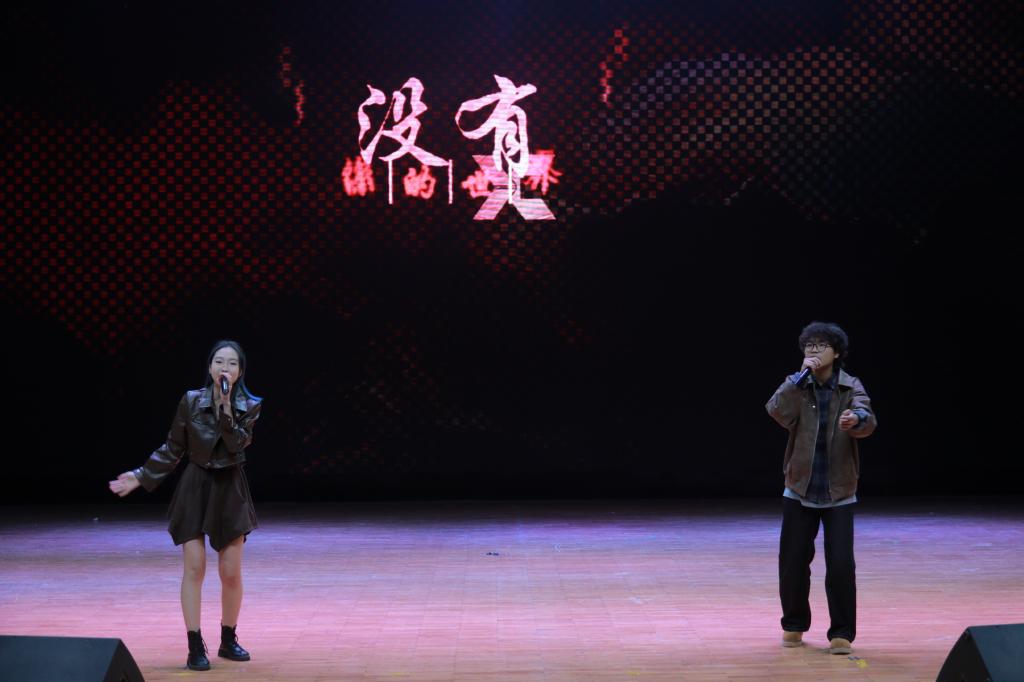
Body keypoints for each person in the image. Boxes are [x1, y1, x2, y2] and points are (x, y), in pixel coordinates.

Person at [109, 340, 262, 671]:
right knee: (194, 568)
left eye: (231, 363)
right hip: (195, 487)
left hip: (229, 489)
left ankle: (228, 638)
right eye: (219, 361)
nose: (224, 368)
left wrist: (225, 407)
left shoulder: (249, 405)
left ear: (240, 371)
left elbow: (236, 444)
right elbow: (173, 447)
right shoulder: (191, 401)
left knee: (231, 572)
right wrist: (141, 475)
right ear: (209, 367)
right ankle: (195, 645)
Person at [765, 322, 876, 655]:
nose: (813, 351)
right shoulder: (797, 383)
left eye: (820, 345)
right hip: (800, 487)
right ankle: (794, 624)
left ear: (836, 352)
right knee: (793, 562)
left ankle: (841, 633)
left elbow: (868, 418)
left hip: (839, 490)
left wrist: (856, 419)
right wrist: (797, 380)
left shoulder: (850, 385)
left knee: (841, 565)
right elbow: (776, 411)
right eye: (808, 346)